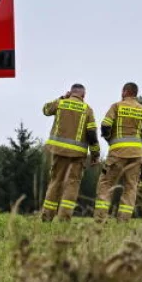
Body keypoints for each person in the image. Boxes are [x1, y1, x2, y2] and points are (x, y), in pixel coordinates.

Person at [94, 83, 142, 222]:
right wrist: (139, 139)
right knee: (131, 187)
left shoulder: (117, 106)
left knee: (106, 184)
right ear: (135, 93)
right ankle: (123, 220)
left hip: (117, 152)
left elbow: (105, 125)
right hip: (136, 154)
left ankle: (100, 219)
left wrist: (109, 139)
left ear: (124, 91)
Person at [40, 83, 99, 222]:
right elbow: (92, 134)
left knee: (55, 182)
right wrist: (95, 154)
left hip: (58, 151)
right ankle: (64, 218)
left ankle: (47, 216)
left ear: (71, 93)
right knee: (72, 185)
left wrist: (62, 97)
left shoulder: (61, 103)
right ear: (83, 95)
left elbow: (45, 110)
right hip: (77, 155)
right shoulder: (87, 109)